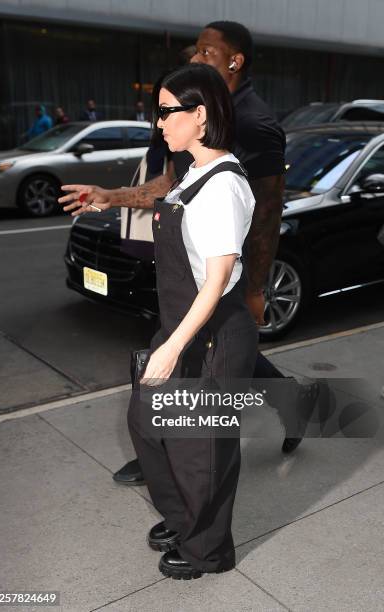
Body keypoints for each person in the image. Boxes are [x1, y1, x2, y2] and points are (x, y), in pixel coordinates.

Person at [59, 21, 318, 485]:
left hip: (218, 272)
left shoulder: (255, 124)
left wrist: (257, 287)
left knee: (201, 362)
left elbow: (269, 211)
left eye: (205, 51)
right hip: (184, 263)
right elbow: (169, 184)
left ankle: (171, 461)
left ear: (234, 61)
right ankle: (282, 404)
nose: (194, 58)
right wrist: (111, 195)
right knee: (197, 357)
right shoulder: (191, 110)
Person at [129, 62, 257, 579]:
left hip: (209, 333)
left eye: (166, 112)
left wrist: (171, 347)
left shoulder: (223, 186)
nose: (158, 123)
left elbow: (216, 281)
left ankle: (207, 548)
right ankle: (184, 518)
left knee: (199, 450)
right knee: (148, 426)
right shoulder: (193, 172)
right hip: (182, 327)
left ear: (199, 116)